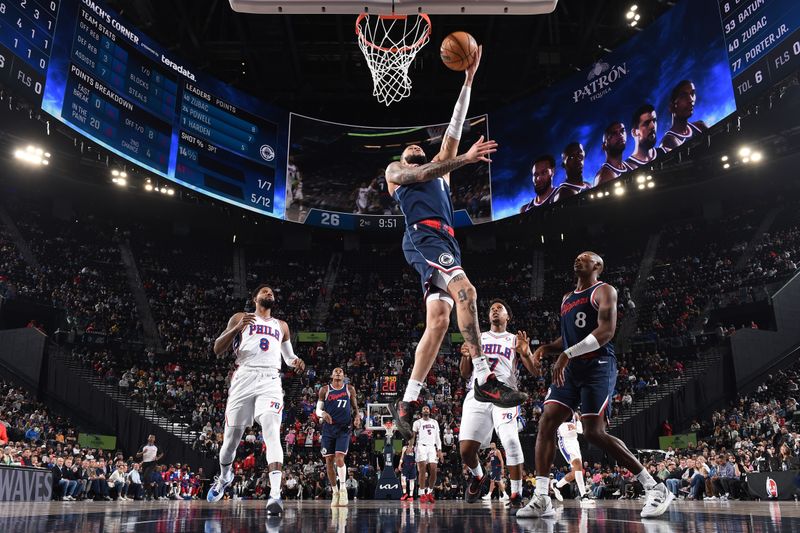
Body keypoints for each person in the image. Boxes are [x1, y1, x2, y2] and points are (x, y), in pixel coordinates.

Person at [385, 46, 526, 438]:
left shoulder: (439, 173)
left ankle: (407, 400)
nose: (415, 146)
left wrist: (468, 80)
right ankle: (485, 376)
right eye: (410, 147)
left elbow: (454, 125)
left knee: (439, 322)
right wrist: (463, 159)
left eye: (418, 146)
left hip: (445, 241)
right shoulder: (397, 171)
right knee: (467, 290)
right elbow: (425, 170)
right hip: (424, 236)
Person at [517, 252, 673, 520]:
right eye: (576, 257)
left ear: (598, 265)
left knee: (593, 433)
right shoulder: (566, 298)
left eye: (586, 257)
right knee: (546, 422)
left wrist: (566, 354)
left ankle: (654, 486)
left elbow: (606, 331)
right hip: (571, 370)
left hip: (597, 366)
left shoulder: (604, 291)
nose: (578, 259)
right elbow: (567, 339)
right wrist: (544, 348)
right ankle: (542, 496)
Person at [208, 284, 306, 515]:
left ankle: (274, 495)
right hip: (244, 377)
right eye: (264, 291)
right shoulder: (241, 318)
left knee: (272, 432)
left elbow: (289, 357)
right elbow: (217, 348)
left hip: (270, 380)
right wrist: (236, 329)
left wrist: (297, 362)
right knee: (230, 442)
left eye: (272, 292)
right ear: (255, 298)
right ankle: (224, 477)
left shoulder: (281, 326)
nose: (269, 293)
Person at [460, 300, 538, 509]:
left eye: (499, 308)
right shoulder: (479, 337)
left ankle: (516, 494)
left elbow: (535, 371)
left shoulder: (514, 339)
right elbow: (465, 373)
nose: (495, 310)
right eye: (492, 309)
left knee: (511, 441)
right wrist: (465, 356)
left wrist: (526, 353)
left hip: (504, 395)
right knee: (466, 450)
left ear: (507, 317)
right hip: (477, 393)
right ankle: (478, 476)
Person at [316, 367, 361, 508]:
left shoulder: (349, 389)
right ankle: (335, 492)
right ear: (331, 375)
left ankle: (343, 489)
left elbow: (355, 408)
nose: (337, 373)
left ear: (344, 376)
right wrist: (322, 414)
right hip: (329, 429)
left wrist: (357, 416)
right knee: (329, 461)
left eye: (340, 371)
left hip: (344, 428)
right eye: (335, 371)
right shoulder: (324, 390)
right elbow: (317, 409)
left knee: (339, 457)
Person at [552, 411, 591, 504]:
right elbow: (570, 431)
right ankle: (583, 496)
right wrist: (576, 425)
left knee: (575, 473)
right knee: (577, 464)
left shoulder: (573, 413)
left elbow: (580, 431)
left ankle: (556, 486)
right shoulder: (559, 414)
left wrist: (578, 420)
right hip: (565, 442)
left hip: (574, 442)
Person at [660, 80, 708, 151]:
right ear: (672, 106)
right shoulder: (669, 140)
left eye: (692, 93)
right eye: (683, 96)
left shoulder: (700, 126)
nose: (691, 100)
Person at [413, 405, 443, 503]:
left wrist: (439, 449)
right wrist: (410, 446)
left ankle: (429, 492)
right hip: (421, 446)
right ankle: (422, 493)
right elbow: (413, 436)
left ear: (429, 412)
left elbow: (437, 437)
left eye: (427, 409)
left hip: (432, 447)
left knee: (434, 470)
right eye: (424, 408)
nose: (426, 409)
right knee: (422, 470)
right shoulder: (417, 423)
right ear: (422, 412)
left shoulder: (435, 422)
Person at [625, 104, 667, 171]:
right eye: (646, 123)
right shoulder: (627, 168)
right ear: (634, 132)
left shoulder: (666, 152)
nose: (652, 126)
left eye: (654, 121)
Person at [135, 434, 164, 500]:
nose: (151, 438)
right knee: (146, 479)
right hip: (145, 463)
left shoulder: (156, 446)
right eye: (150, 437)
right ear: (148, 438)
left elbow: (162, 453)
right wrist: (143, 452)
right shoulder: (143, 446)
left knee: (146, 476)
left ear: (154, 439)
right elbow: (137, 455)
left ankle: (149, 494)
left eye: (153, 437)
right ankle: (149, 494)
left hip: (152, 463)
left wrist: (158, 458)